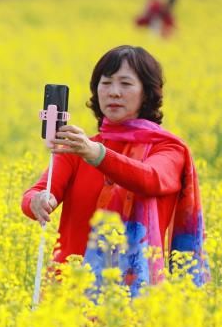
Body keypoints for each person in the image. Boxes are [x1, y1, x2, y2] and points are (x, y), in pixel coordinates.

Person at [22, 45, 208, 294]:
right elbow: (36, 194)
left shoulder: (168, 149)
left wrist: (97, 154)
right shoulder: (79, 149)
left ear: (147, 93)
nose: (114, 93)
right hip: (69, 296)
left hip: (135, 299)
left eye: (126, 84)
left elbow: (149, 178)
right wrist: (37, 200)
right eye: (106, 83)